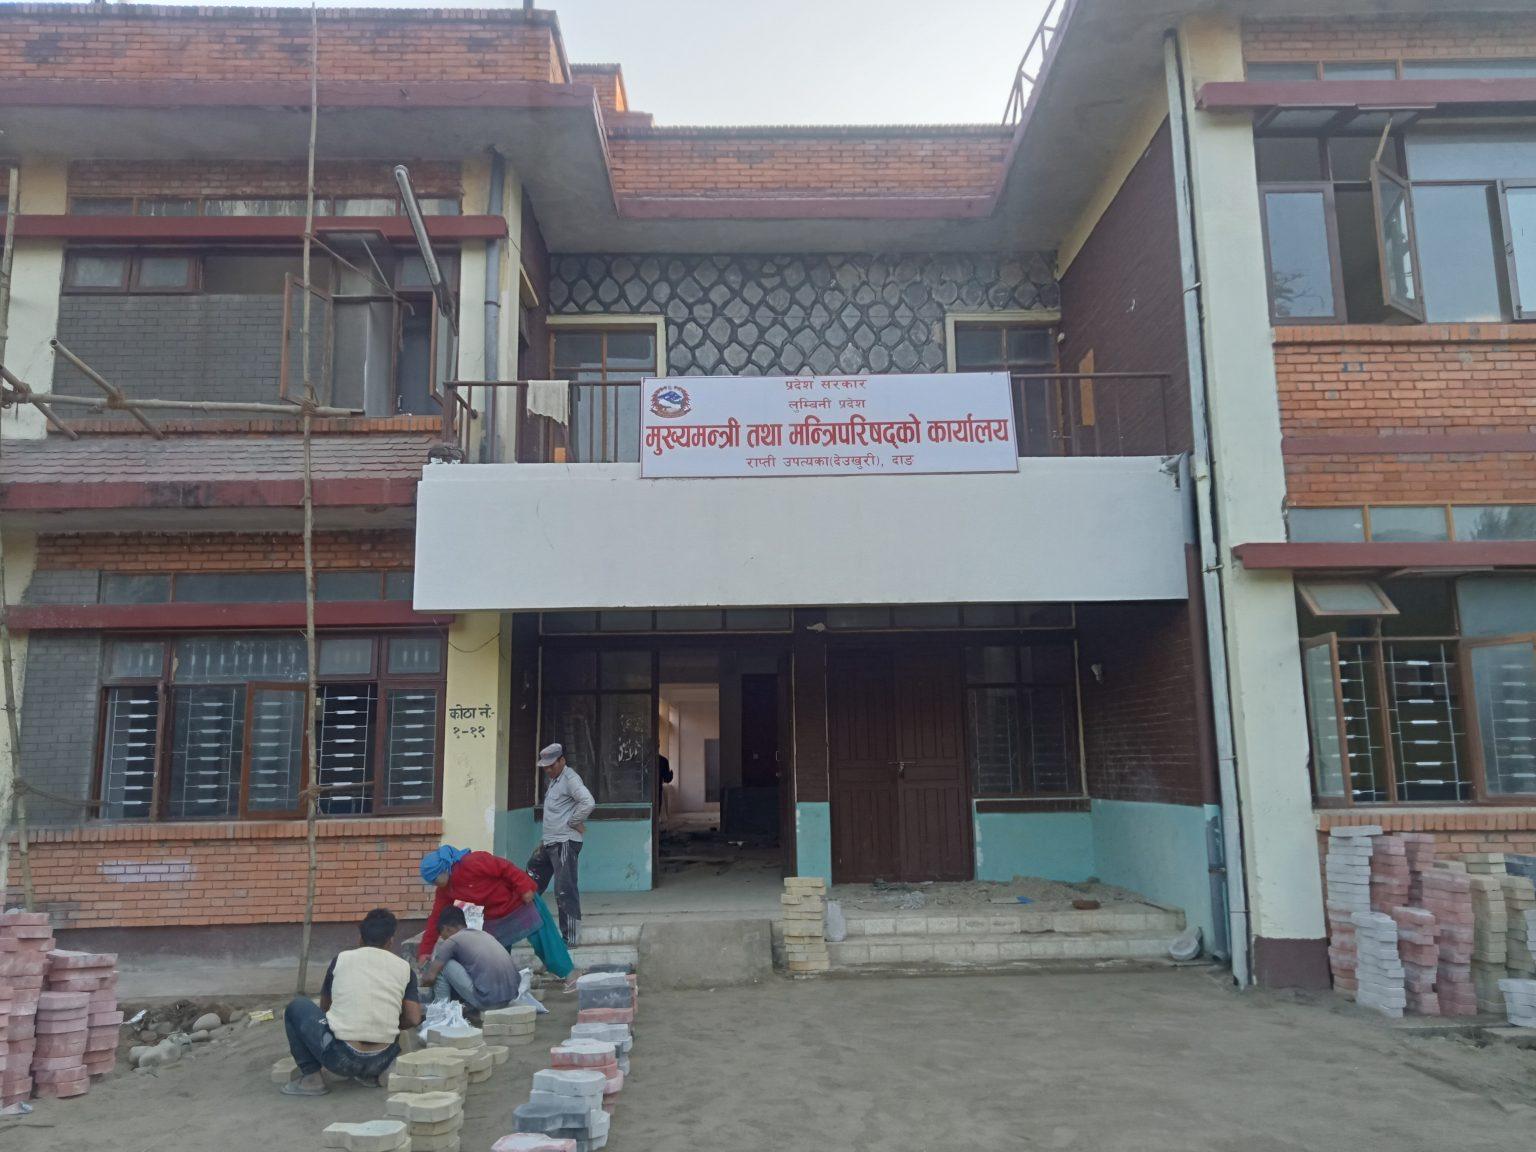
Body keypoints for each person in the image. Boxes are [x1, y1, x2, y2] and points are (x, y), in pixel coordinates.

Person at [281, 907, 422, 1096]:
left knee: (297, 1006)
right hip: (382, 1059)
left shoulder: (341, 959)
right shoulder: (405, 968)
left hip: (340, 1058)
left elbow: (325, 1008)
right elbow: (413, 1018)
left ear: (360, 938)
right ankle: (373, 1075)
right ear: (391, 941)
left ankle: (312, 1079)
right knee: (392, 1020)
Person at [417, 844, 577, 987]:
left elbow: (506, 868)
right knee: (494, 955)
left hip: (520, 900)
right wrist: (425, 950)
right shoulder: (445, 890)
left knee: (545, 941)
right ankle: (507, 986)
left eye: (435, 879)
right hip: (494, 914)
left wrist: (524, 887)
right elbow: (436, 918)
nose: (434, 884)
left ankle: (570, 975)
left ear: (444, 869)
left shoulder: (473, 862)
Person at [525, 743, 594, 946]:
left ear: (562, 760)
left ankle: (570, 938)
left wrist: (573, 822)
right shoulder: (555, 780)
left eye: (551, 765)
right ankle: (523, 923)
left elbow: (588, 802)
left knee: (564, 889)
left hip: (565, 842)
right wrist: (544, 840)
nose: (548, 770)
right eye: (545, 767)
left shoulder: (570, 779)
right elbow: (555, 814)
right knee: (530, 878)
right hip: (550, 842)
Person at [420, 905, 522, 1015]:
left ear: (447, 928)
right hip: (509, 998)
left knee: (444, 965)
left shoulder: (453, 940)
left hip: (488, 1002)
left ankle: (441, 1011)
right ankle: (465, 1006)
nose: (444, 939)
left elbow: (430, 977)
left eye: (443, 935)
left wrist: (425, 976)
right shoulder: (484, 935)